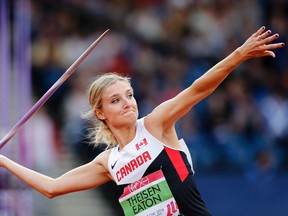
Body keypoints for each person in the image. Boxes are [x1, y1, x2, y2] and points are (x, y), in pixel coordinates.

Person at [0, 26, 285, 216]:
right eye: (116, 100)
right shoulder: (108, 162)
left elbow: (199, 88)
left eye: (129, 95)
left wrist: (239, 55)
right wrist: (3, 161)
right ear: (101, 113)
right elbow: (51, 188)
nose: (128, 103)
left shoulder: (155, 125)